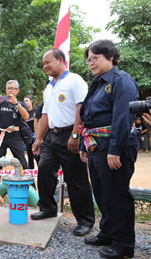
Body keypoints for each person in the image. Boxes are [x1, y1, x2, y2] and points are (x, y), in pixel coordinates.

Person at [80, 40, 139, 258]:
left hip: (115, 147)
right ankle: (108, 231)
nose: (90, 63)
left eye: (95, 58)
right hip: (96, 145)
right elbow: (88, 116)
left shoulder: (121, 81)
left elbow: (122, 117)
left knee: (117, 193)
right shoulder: (97, 83)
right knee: (102, 192)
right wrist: (82, 145)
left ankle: (123, 244)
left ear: (110, 56)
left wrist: (115, 149)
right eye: (89, 59)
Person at [31, 48, 95, 237]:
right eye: (43, 63)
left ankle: (85, 220)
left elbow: (81, 108)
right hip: (52, 136)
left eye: (48, 62)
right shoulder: (49, 87)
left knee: (76, 179)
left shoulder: (74, 81)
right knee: (44, 171)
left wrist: (75, 135)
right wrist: (39, 138)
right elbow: (45, 115)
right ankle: (48, 208)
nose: (45, 66)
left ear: (60, 60)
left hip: (70, 133)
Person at [0, 80, 29, 188]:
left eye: (12, 88)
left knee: (22, 162)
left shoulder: (21, 104)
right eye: (8, 88)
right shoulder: (0, 102)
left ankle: (30, 188)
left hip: (15, 136)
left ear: (17, 91)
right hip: (0, 135)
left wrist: (17, 104)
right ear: (6, 90)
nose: (10, 90)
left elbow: (26, 116)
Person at [23, 95, 39, 169]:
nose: (25, 102)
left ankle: (41, 172)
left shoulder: (36, 110)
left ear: (31, 101)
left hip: (36, 135)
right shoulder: (24, 113)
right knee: (30, 156)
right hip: (28, 136)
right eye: (24, 101)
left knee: (37, 156)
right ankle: (31, 176)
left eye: (27, 100)